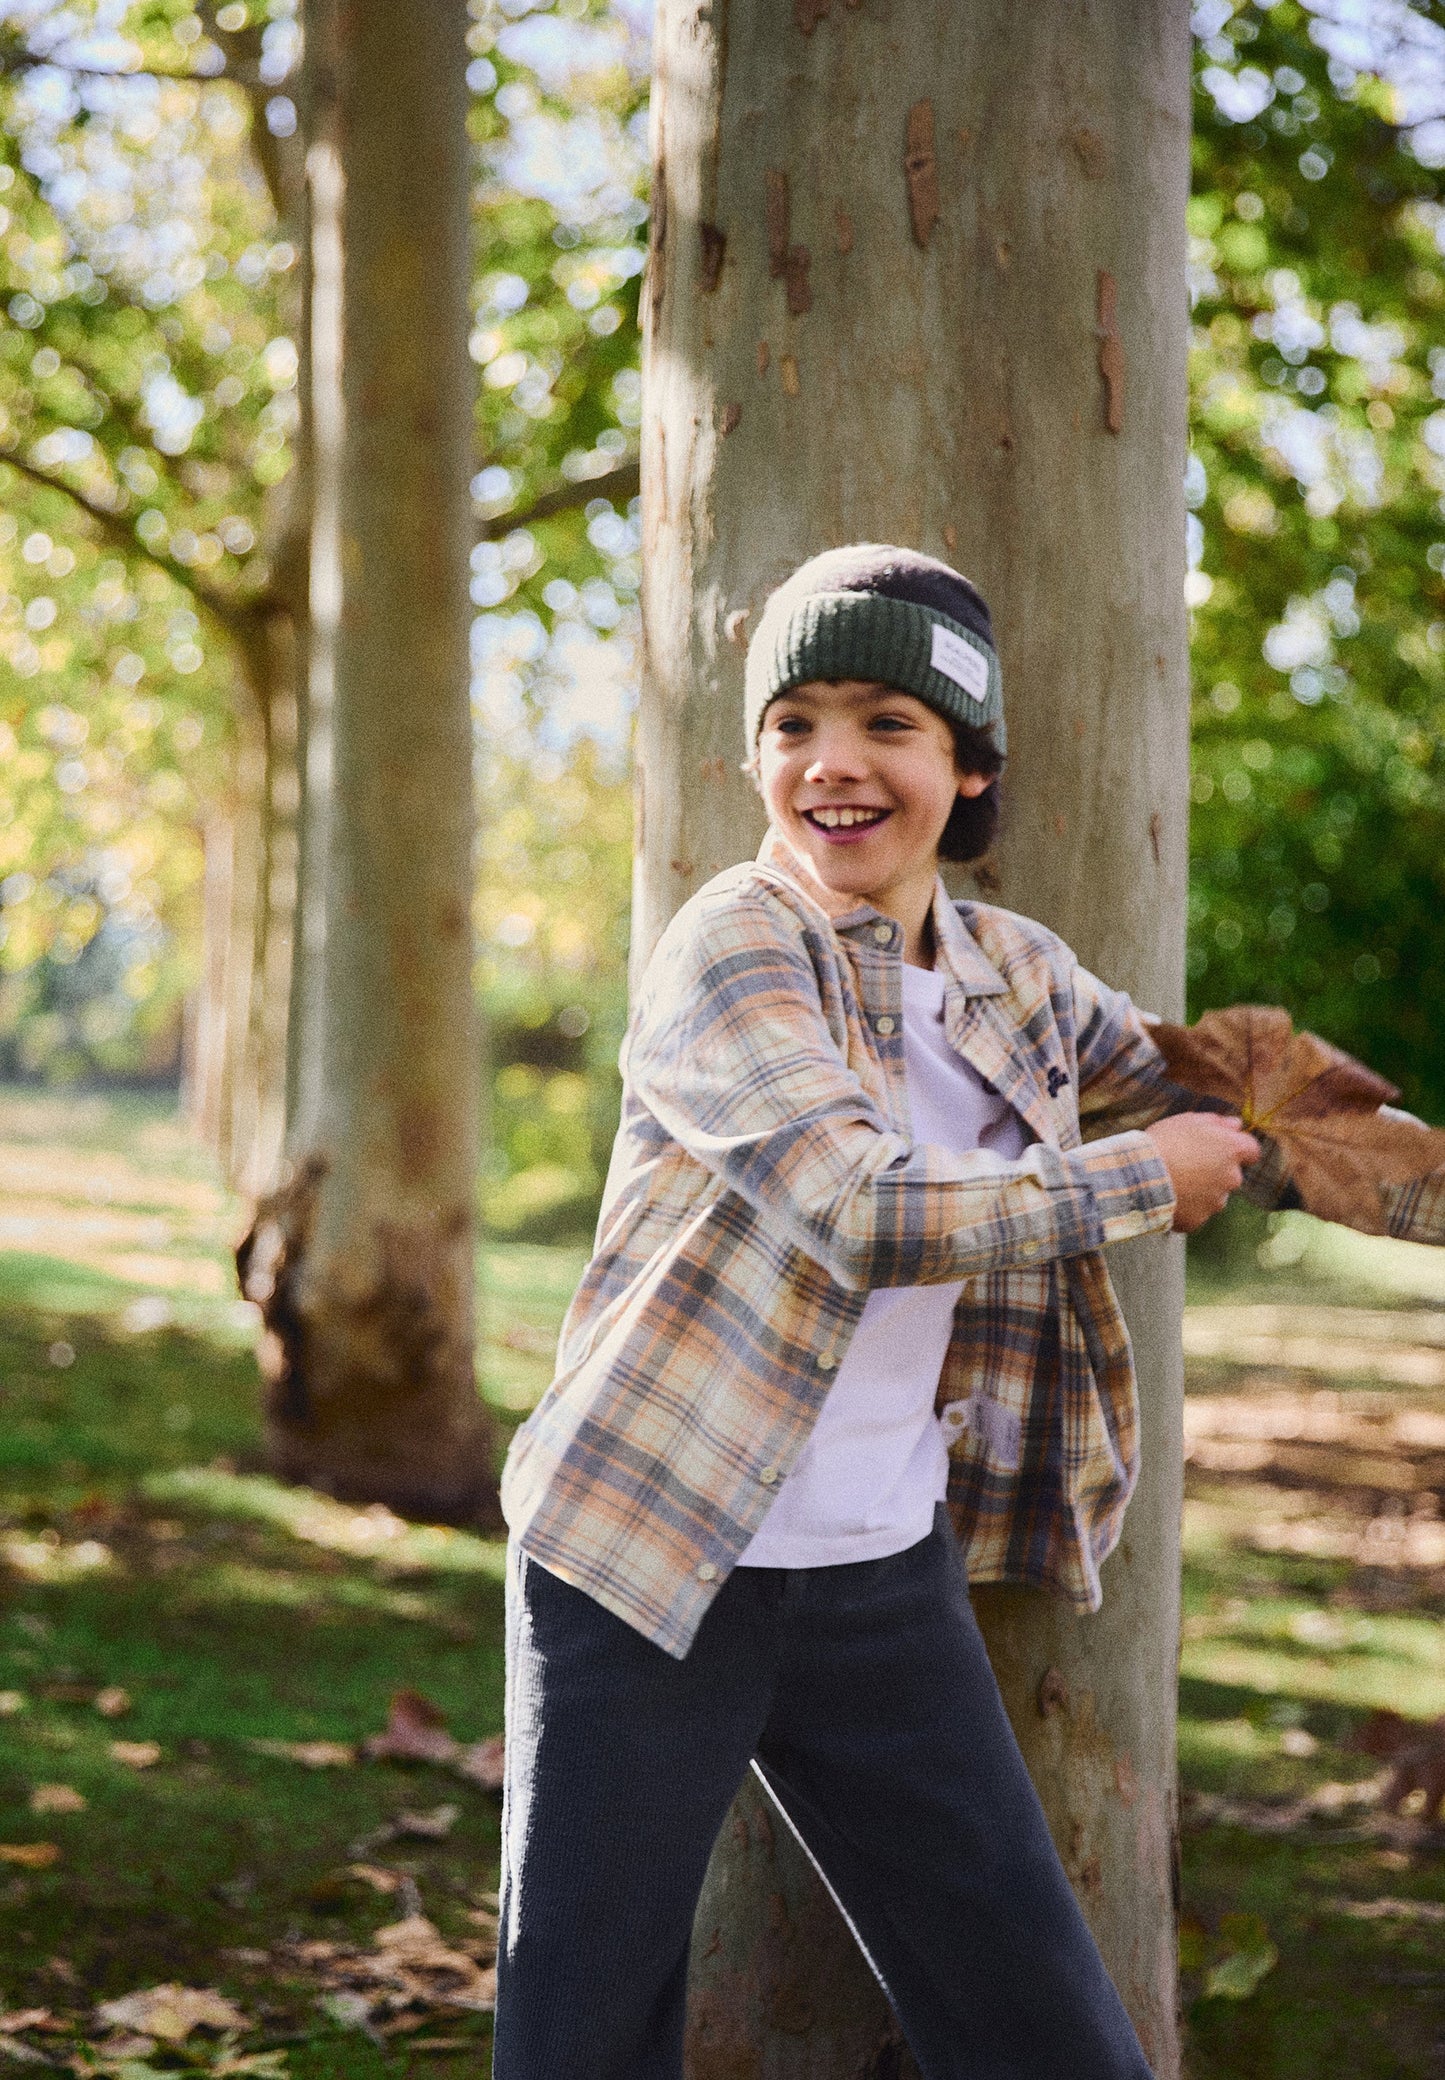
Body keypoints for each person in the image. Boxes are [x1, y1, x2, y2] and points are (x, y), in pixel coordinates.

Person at [492, 545, 1260, 2080]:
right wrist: (1136, 1179)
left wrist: (1317, 1134)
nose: (833, 764)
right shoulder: (730, 944)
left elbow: (1207, 1091)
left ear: (968, 767)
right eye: (795, 723)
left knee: (1035, 2014)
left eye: (886, 723)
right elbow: (863, 1209)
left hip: (874, 1573)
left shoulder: (1005, 969)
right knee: (580, 2025)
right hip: (652, 1556)